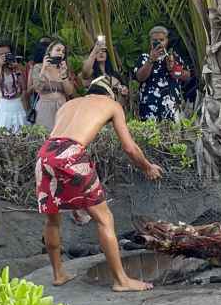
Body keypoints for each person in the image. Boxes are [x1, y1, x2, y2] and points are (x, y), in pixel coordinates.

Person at [36, 75, 163, 290]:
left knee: (52, 220)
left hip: (45, 153)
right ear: (111, 92)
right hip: (72, 154)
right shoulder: (111, 104)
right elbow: (129, 148)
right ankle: (121, 281)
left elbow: (61, 144)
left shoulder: (69, 104)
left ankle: (59, 274)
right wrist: (147, 167)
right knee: (104, 218)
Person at [133, 26, 191, 121]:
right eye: (155, 40)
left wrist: (173, 68)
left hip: (172, 109)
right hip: (149, 110)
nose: (159, 43)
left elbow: (187, 76)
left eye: (161, 40)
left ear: (167, 41)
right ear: (150, 42)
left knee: (174, 135)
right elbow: (140, 77)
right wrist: (151, 60)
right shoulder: (144, 58)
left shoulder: (173, 57)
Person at [31, 41, 74, 131]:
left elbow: (69, 92)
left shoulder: (64, 68)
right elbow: (37, 88)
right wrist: (44, 68)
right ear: (49, 51)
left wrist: (64, 75)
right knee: (46, 135)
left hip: (62, 106)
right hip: (45, 107)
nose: (61, 53)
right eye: (58, 50)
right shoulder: (38, 67)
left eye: (63, 52)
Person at [0, 40, 28, 133]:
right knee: (2, 132)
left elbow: (24, 87)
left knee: (20, 133)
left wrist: (17, 69)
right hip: (3, 104)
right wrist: (0, 66)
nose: (4, 56)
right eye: (1, 54)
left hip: (17, 103)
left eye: (7, 53)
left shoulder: (17, 66)